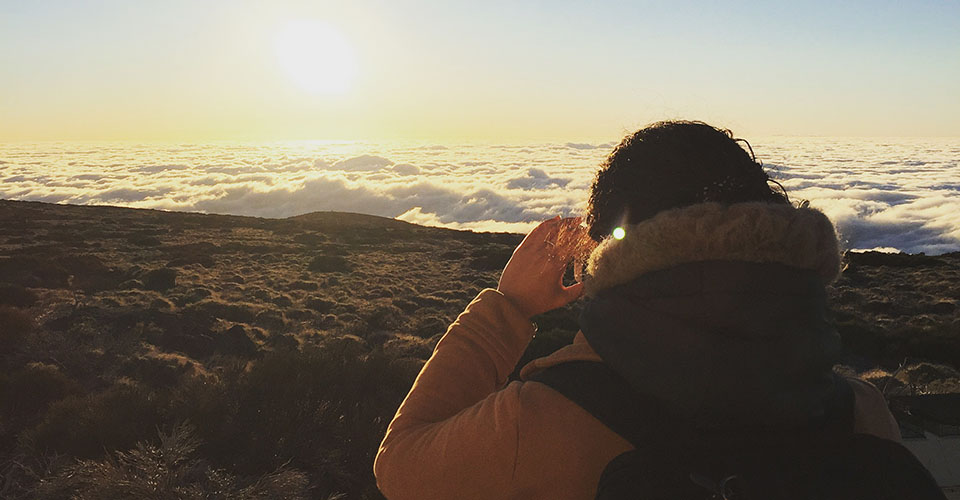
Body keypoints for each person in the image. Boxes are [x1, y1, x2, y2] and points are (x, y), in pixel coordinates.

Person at [373, 121, 901, 500]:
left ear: (605, 250)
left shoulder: (540, 422)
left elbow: (401, 466)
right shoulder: (861, 416)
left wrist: (508, 307)